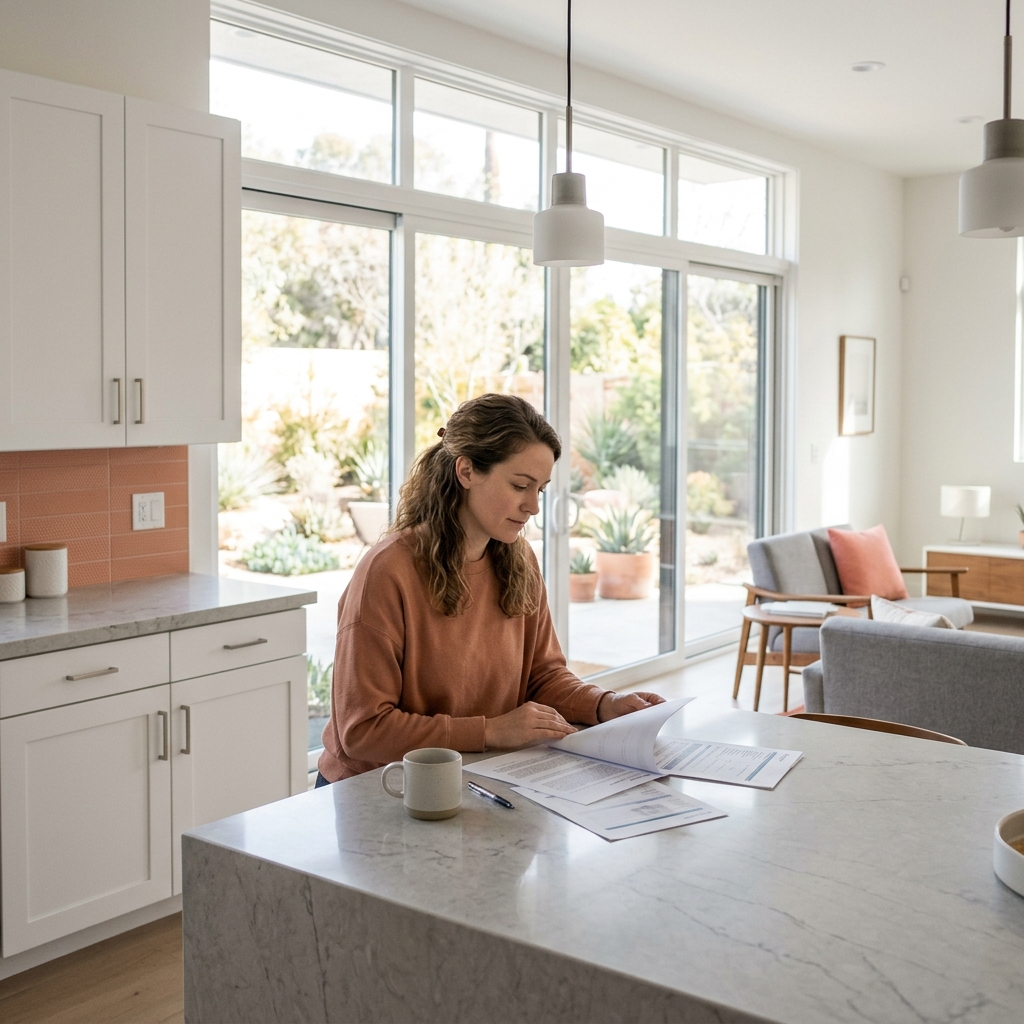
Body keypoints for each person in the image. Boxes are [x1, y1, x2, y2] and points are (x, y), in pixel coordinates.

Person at [316, 393, 663, 785]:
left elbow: (543, 678)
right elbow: (362, 730)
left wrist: (604, 705)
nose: (533, 506)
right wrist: (490, 731)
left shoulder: (520, 560)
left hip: (472, 777)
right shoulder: (387, 572)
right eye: (520, 485)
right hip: (378, 789)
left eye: (541, 489)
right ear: (466, 472)